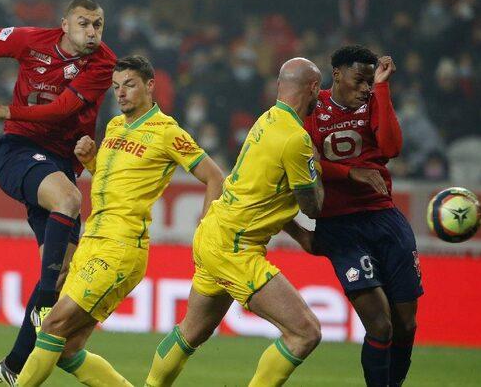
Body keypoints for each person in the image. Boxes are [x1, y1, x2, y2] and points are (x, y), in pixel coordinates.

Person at [15, 55, 225, 386]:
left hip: (120, 248)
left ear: (150, 85)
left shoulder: (168, 132)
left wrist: (207, 229)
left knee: (52, 324)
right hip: (92, 241)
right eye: (116, 87)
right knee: (67, 350)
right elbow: (112, 181)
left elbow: (215, 177)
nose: (121, 93)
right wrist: (91, 160)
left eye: (129, 85)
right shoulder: (114, 126)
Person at [0, 0, 116, 385]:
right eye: (85, 23)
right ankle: (40, 307)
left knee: (62, 276)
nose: (92, 32)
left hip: (58, 165)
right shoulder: (33, 40)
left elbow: (61, 110)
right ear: (65, 24)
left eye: (98, 25)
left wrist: (6, 109)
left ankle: (13, 365)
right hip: (18, 151)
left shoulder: (103, 63)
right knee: (70, 200)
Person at [145, 58, 324, 387]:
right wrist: (318, 172)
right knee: (305, 332)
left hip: (213, 232)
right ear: (313, 89)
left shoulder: (266, 121)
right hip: (236, 248)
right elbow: (313, 205)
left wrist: (298, 235)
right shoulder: (297, 140)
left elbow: (265, 195)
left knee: (191, 333)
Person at [302, 45, 422, 387]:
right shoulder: (314, 107)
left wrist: (382, 88)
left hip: (384, 217)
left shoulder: (374, 101)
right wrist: (349, 173)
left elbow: (391, 148)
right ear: (337, 74)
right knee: (380, 325)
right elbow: (303, 160)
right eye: (360, 80)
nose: (365, 88)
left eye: (370, 82)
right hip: (340, 224)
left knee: (406, 326)